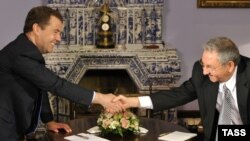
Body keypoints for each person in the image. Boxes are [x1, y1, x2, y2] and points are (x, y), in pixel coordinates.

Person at [0, 6, 122, 140]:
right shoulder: (20, 54)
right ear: (36, 29)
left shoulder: (26, 51)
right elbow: (56, 84)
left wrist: (49, 121)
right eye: (55, 31)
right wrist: (101, 98)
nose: (59, 38)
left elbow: (41, 86)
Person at [114, 36, 250, 141]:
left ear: (230, 66)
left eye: (210, 67)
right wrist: (133, 101)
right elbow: (178, 95)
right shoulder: (201, 72)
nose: (204, 71)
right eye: (204, 64)